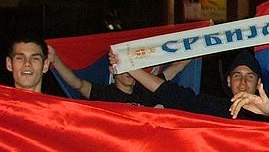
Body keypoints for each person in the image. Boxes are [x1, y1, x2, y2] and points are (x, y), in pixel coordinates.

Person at [119, 47, 269, 121]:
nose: (243, 82)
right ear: (228, 81)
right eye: (237, 76)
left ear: (258, 83)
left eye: (250, 76)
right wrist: (129, 67)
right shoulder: (214, 108)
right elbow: (168, 91)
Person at [47, 45, 191, 106]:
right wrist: (56, 59)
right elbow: (76, 83)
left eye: (131, 68)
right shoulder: (104, 94)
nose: (129, 73)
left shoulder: (147, 90)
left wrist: (200, 43)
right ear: (113, 71)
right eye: (124, 68)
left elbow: (177, 67)